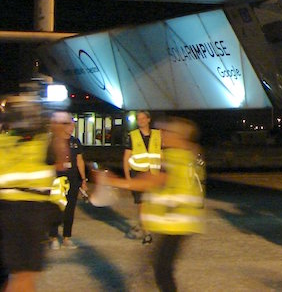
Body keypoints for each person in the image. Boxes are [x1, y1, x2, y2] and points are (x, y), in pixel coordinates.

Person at [96, 116, 204, 292]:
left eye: (166, 131)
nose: (161, 134)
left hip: (175, 222)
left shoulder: (174, 157)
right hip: (179, 222)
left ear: (177, 136)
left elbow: (151, 180)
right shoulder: (189, 156)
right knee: (159, 268)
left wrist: (116, 182)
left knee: (162, 271)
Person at [0, 95, 66, 292]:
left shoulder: (3, 141)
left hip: (5, 208)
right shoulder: (44, 142)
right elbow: (61, 162)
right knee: (24, 275)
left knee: (11, 275)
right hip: (29, 213)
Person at [48, 111, 87, 250]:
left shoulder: (75, 142)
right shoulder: (53, 141)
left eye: (73, 125)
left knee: (70, 209)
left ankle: (67, 237)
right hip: (57, 179)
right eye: (69, 124)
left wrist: (83, 179)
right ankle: (53, 236)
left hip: (73, 179)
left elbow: (79, 161)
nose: (71, 128)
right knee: (56, 208)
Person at [122, 110, 162, 244]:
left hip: (153, 174)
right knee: (141, 204)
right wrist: (127, 177)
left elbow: (162, 154)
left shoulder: (158, 135)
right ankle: (146, 233)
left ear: (148, 119)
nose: (141, 121)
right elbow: (126, 157)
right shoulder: (132, 136)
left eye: (143, 118)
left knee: (150, 204)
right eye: (138, 119)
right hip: (138, 174)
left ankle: (143, 225)